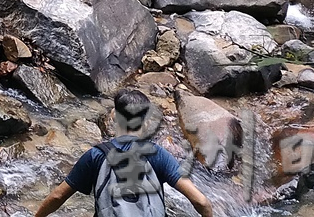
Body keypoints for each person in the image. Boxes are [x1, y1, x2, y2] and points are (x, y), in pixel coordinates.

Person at [33, 88, 213, 217]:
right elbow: (201, 202)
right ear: (146, 122)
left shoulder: (96, 155)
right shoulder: (157, 155)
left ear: (114, 116)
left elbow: (58, 196)